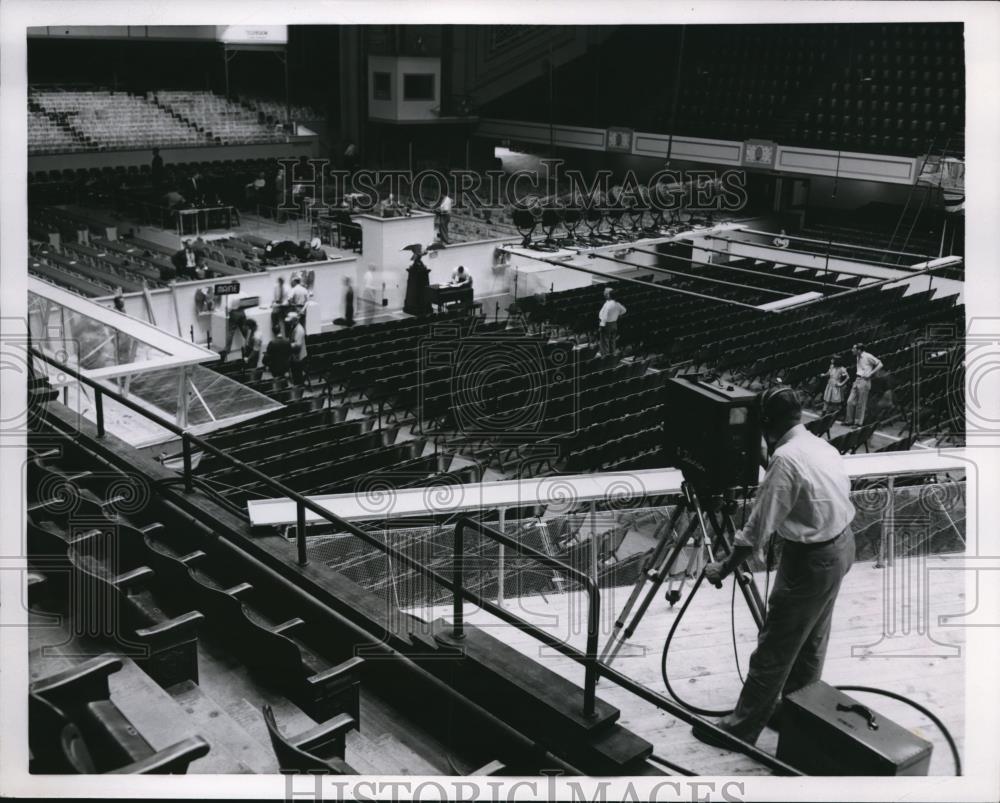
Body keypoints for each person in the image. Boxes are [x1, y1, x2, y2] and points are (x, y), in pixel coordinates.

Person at [692, 386, 856, 749]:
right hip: (840, 547)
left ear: (765, 423)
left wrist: (722, 566)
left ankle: (741, 730)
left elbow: (756, 529)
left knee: (775, 647)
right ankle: (797, 714)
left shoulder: (785, 461)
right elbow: (798, 483)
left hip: (811, 560)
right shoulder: (815, 444)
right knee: (811, 642)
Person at [844, 343, 884, 426]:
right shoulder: (857, 356)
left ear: (859, 350)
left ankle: (858, 423)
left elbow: (880, 364)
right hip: (857, 379)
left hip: (865, 380)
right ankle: (849, 420)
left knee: (860, 403)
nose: (852, 350)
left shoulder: (867, 356)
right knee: (850, 401)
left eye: (854, 349)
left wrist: (871, 373)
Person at [597, 287, 627, 357]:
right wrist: (617, 314)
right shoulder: (617, 304)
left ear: (609, 295)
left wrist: (601, 325)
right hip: (614, 324)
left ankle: (605, 356)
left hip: (606, 325)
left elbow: (604, 316)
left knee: (605, 342)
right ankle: (612, 355)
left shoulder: (608, 304)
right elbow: (624, 310)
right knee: (612, 341)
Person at [262, 324, 292, 391]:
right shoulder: (287, 341)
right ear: (280, 330)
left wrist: (265, 363)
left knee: (278, 383)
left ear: (273, 332)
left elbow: (267, 356)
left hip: (275, 367)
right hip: (285, 366)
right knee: (285, 382)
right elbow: (290, 354)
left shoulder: (272, 343)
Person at [287, 312, 309, 396]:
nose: (288, 322)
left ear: (295, 320)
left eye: (290, 321)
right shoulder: (294, 326)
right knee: (295, 375)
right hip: (295, 356)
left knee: (298, 377)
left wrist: (287, 345)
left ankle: (299, 394)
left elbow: (298, 345)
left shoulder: (299, 330)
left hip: (298, 357)